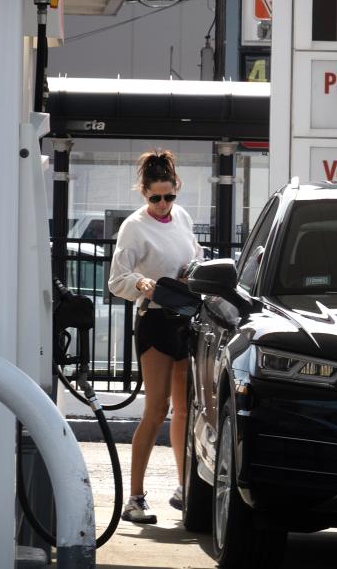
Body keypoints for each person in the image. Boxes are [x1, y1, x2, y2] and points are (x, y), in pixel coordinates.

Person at [108, 149, 203, 524]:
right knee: (156, 408)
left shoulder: (181, 217)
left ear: (176, 190)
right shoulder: (134, 226)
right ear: (143, 193)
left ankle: (184, 487)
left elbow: (194, 258)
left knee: (184, 408)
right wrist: (142, 283)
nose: (164, 204)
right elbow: (117, 280)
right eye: (155, 198)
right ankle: (134, 497)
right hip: (155, 319)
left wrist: (190, 275)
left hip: (184, 317)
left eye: (170, 196)